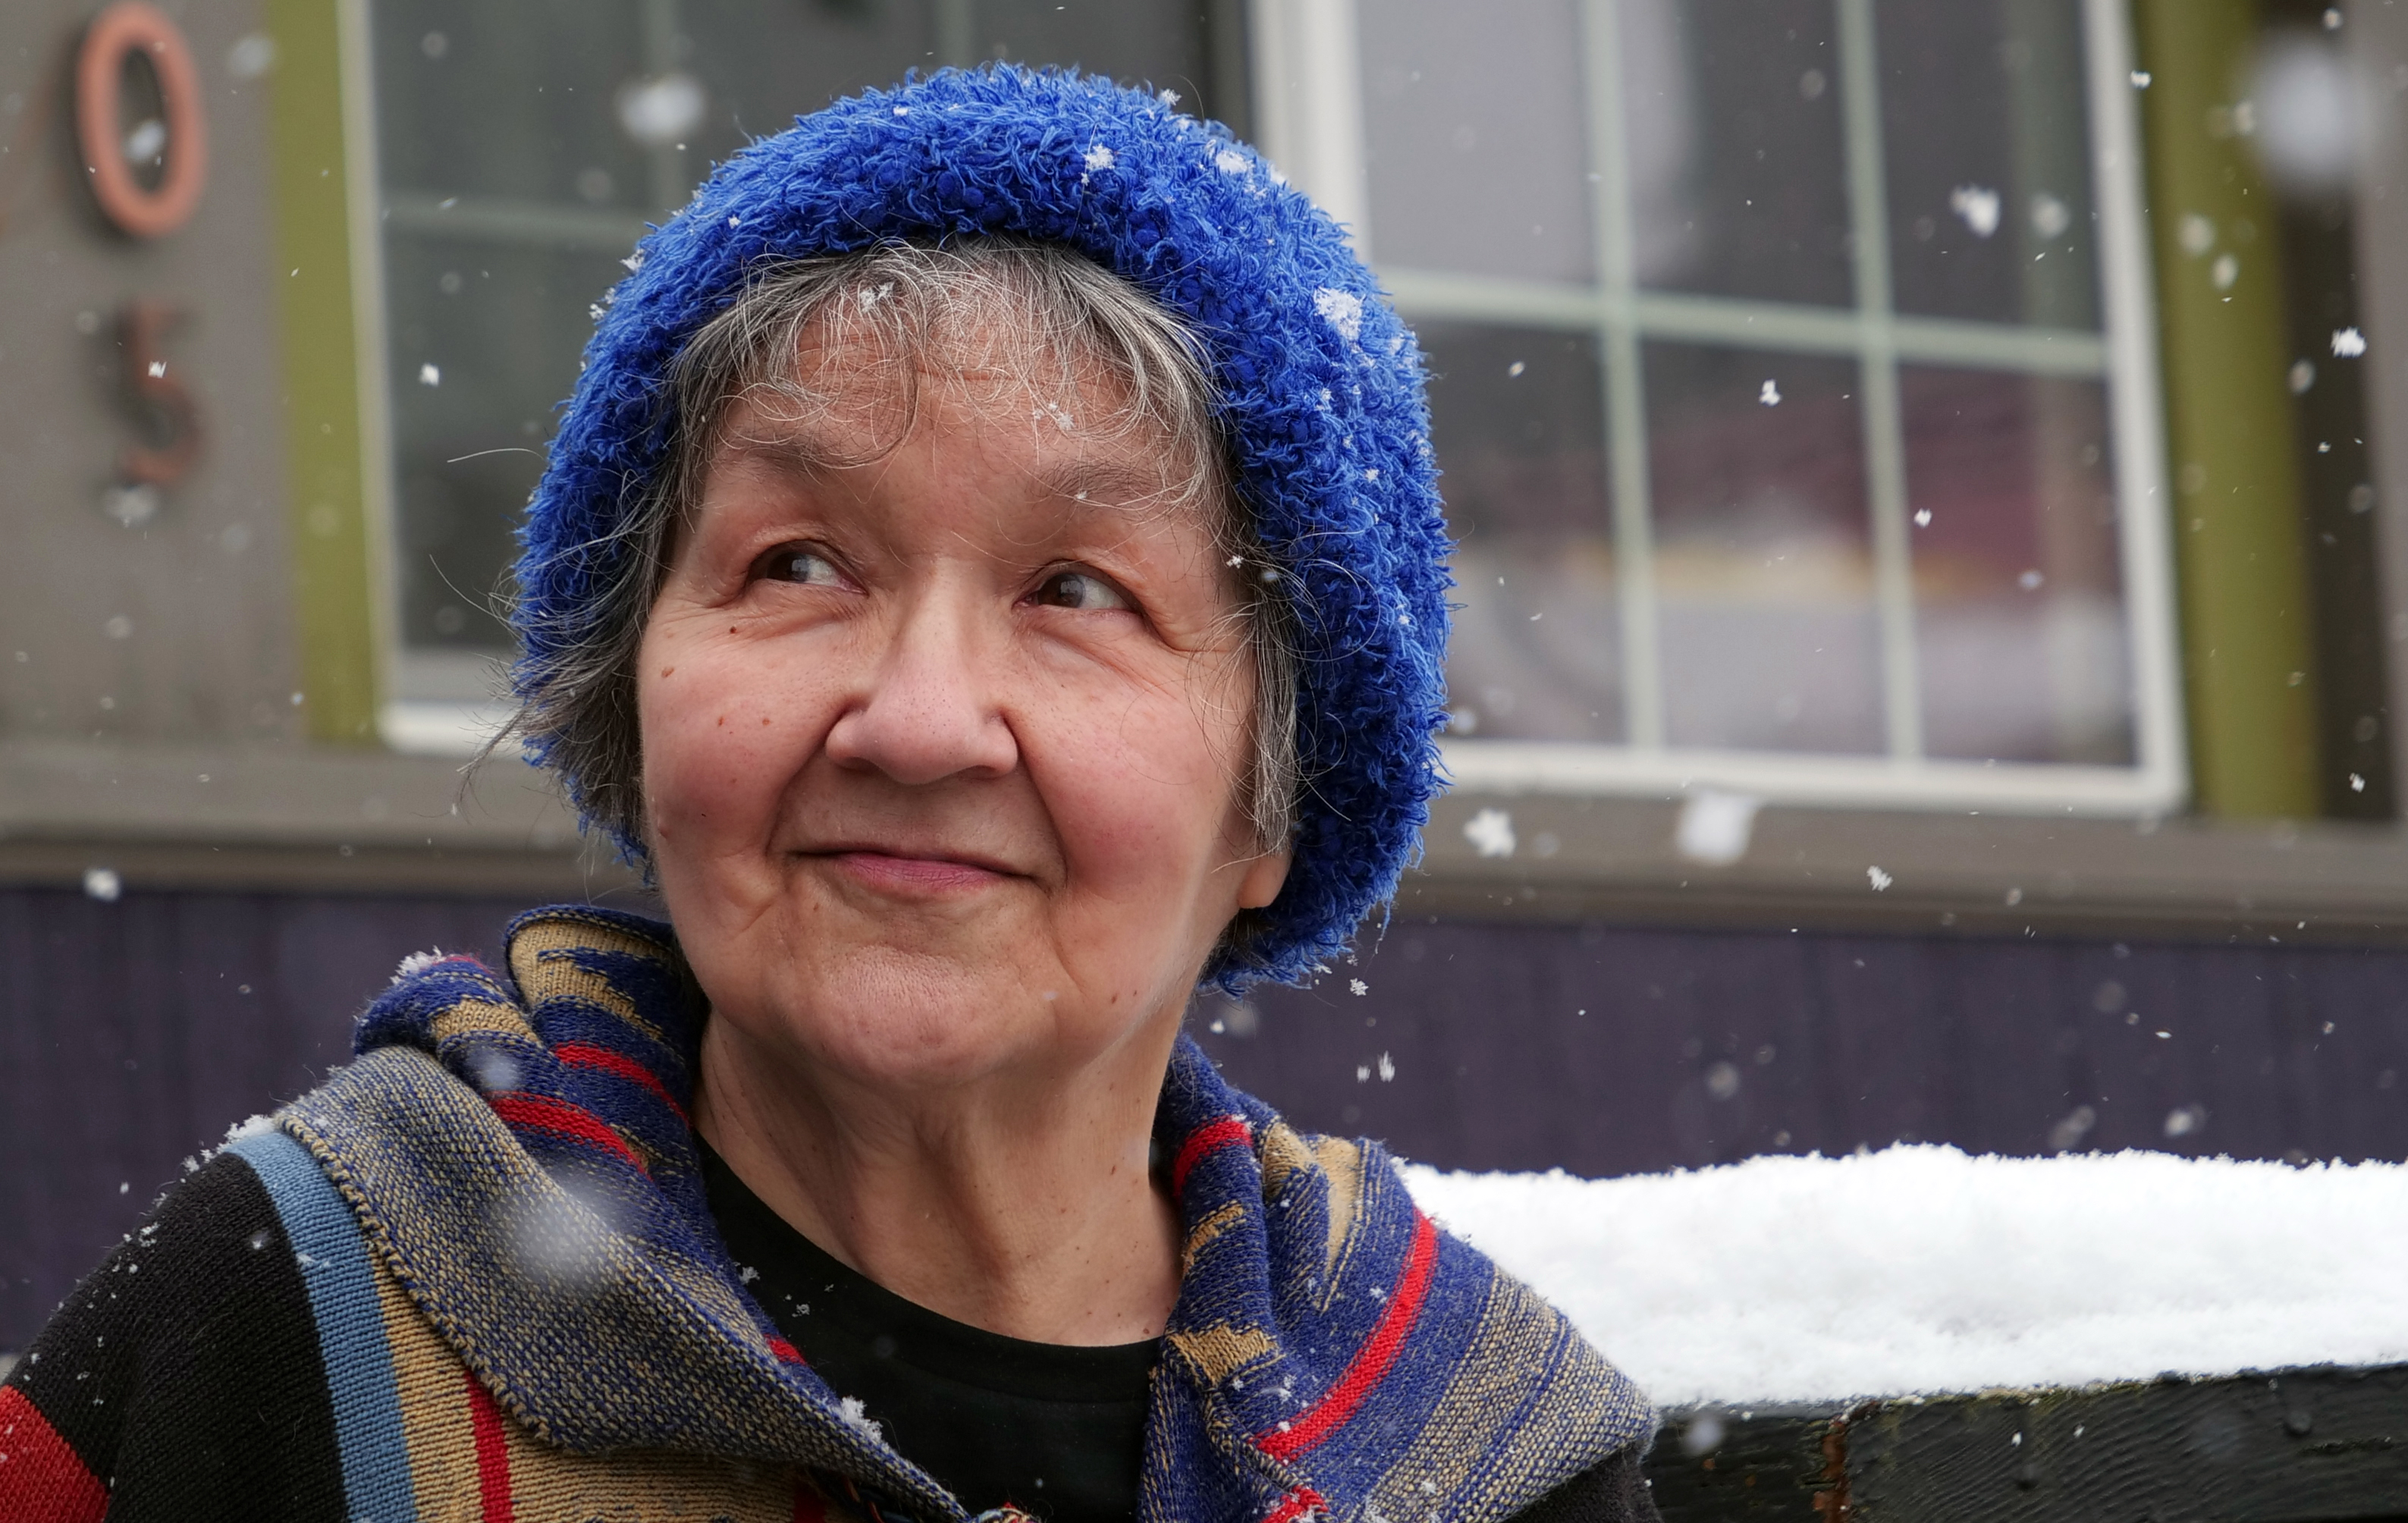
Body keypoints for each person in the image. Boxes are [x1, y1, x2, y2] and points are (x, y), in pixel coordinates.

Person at [1, 69, 1659, 1523]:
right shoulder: (306, 1317)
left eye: (1079, 591)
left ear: (1275, 799)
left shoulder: (1468, 1449)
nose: (922, 720)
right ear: (634, 692)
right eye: (797, 561)